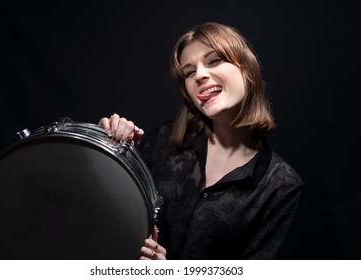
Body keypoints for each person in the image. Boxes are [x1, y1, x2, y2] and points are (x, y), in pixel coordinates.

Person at [99, 22, 303, 260]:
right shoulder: (165, 139)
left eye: (214, 60)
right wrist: (112, 149)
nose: (200, 75)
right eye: (189, 72)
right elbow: (107, 215)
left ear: (246, 69)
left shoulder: (280, 185)